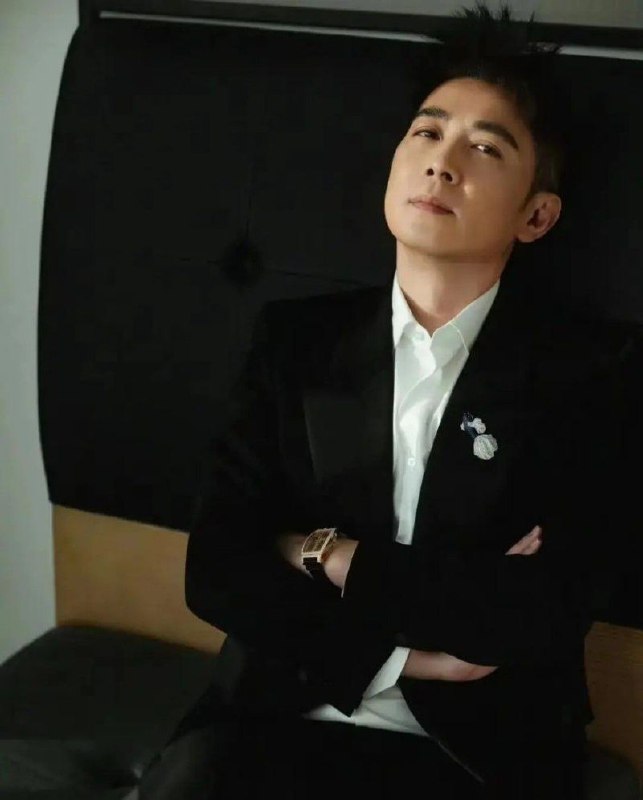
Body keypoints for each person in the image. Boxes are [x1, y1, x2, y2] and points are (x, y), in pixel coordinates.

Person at [183, 3, 640, 798]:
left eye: (484, 147)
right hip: (274, 718)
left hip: (477, 752)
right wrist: (411, 655)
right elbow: (217, 568)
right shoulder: (295, 340)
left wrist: (322, 554)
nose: (441, 163)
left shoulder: (588, 373)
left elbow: (532, 612)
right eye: (426, 133)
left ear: (536, 214)